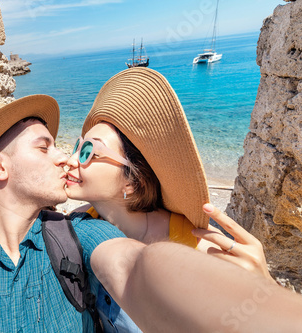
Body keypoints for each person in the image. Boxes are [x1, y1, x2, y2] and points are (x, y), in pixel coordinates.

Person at [0, 94, 302, 333]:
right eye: (47, 145)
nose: (65, 158)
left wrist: (267, 310)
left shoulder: (79, 236)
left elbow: (141, 269)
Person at [65, 67, 273, 332]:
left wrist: (264, 288)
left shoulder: (195, 245)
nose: (70, 160)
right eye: (77, 145)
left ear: (132, 180)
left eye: (88, 151)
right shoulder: (82, 220)